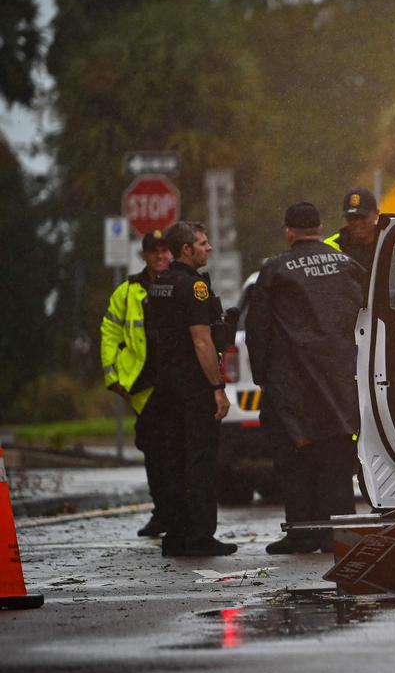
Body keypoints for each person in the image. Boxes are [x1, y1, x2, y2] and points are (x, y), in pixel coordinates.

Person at [247, 202, 365, 554]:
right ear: (320, 226)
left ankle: (301, 532)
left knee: (296, 461)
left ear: (288, 232)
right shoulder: (347, 265)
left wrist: (262, 377)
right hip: (342, 379)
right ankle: (338, 534)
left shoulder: (275, 270)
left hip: (292, 384)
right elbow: (369, 313)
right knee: (337, 456)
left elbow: (258, 327)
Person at [149, 221, 236, 557]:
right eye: (202, 243)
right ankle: (200, 536)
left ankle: (176, 534)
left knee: (174, 460)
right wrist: (217, 386)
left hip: (166, 385)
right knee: (199, 462)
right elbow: (201, 341)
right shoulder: (194, 287)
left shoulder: (161, 283)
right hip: (192, 384)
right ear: (186, 249)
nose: (208, 248)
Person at [100, 230, 173, 537]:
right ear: (144, 255)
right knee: (155, 454)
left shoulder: (181, 283)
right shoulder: (127, 292)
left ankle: (179, 514)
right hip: (144, 387)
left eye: (164, 251)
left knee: (179, 454)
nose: (159, 256)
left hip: (177, 384)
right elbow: (110, 334)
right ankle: (162, 513)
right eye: (153, 251)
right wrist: (113, 378)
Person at [324, 187, 395, 309]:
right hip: (345, 325)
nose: (357, 222)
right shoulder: (329, 249)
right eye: (352, 217)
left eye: (362, 216)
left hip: (392, 325)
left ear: (376, 214)